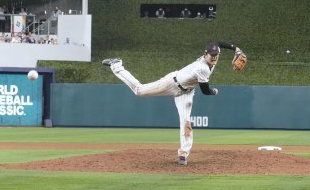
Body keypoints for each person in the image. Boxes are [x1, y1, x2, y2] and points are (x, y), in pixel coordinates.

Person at [102, 41, 244, 166]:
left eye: (216, 54)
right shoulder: (203, 68)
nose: (214, 57)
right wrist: (214, 92)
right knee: (139, 91)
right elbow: (206, 91)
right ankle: (117, 65)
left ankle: (183, 154)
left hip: (187, 91)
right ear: (205, 54)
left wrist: (236, 49)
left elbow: (218, 42)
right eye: (211, 55)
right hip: (172, 83)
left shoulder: (212, 57)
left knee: (186, 122)